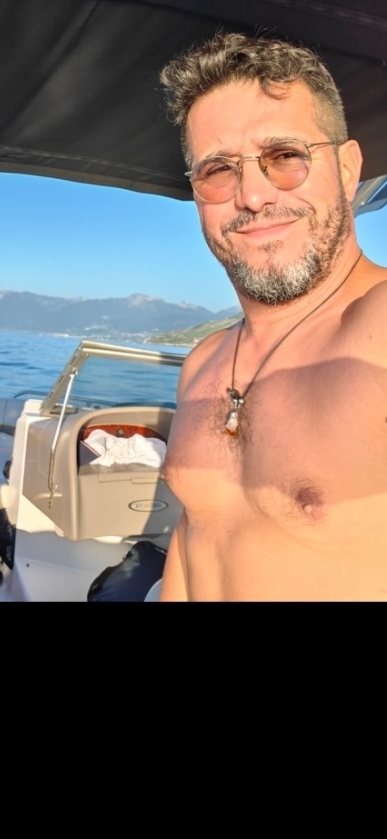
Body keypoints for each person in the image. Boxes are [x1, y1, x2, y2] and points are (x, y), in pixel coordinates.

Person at [157, 31, 387, 601]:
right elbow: (193, 541)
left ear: (348, 168)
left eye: (284, 156)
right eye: (218, 170)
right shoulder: (203, 363)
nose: (252, 196)